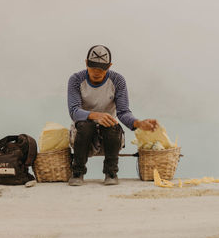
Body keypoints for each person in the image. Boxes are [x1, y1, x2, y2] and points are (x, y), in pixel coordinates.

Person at [67, 44, 159, 186]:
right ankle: (77, 171)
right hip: (82, 131)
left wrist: (138, 123)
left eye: (101, 69)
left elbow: (123, 112)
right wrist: (95, 115)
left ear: (109, 66)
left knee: (113, 125)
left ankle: (111, 171)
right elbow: (74, 111)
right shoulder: (76, 80)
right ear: (86, 63)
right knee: (85, 126)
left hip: (108, 133)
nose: (96, 72)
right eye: (92, 67)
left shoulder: (117, 80)